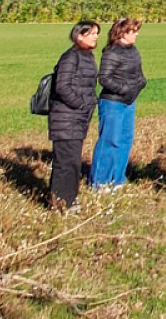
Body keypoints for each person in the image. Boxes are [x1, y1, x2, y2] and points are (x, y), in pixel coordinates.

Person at [48, 21, 100, 212]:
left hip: (76, 118)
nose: (96, 36)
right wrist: (81, 104)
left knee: (73, 161)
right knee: (65, 162)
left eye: (96, 33)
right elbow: (62, 87)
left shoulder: (86, 56)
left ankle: (68, 198)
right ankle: (60, 202)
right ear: (79, 36)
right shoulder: (70, 57)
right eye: (92, 33)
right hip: (66, 117)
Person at [90, 18, 146, 191]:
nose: (137, 33)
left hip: (129, 102)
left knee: (125, 140)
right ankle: (99, 182)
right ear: (122, 33)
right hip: (112, 103)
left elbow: (138, 73)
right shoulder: (111, 52)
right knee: (109, 141)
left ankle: (117, 179)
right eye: (133, 30)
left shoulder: (133, 50)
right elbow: (104, 78)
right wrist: (124, 89)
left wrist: (141, 83)